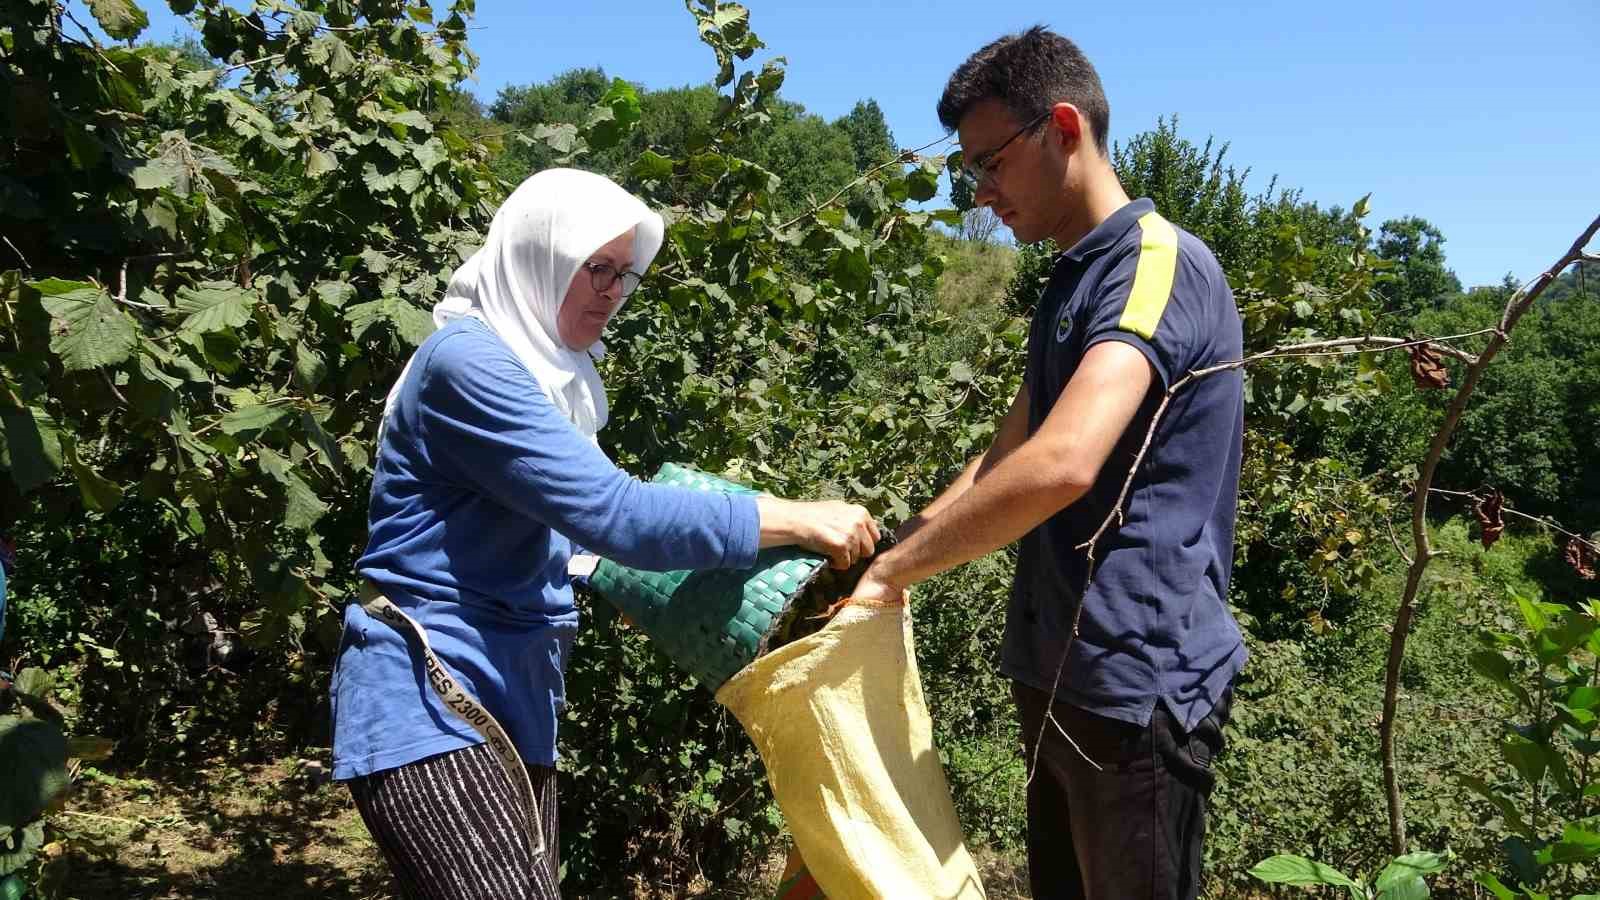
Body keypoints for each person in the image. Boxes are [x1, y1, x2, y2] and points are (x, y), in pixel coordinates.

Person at [330, 168, 879, 900]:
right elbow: (620, 516)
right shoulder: (468, 365)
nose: (613, 292)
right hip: (433, 696)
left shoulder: (548, 378)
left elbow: (579, 541)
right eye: (597, 268)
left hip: (512, 698)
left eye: (626, 274)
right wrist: (793, 516)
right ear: (541, 254)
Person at [850, 27, 1247, 900]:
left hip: (1134, 685)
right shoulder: (1073, 279)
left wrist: (898, 572)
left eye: (988, 162)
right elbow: (1008, 454)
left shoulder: (1155, 264)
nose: (980, 193)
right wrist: (890, 559)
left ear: (1063, 127)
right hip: (1061, 675)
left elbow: (1064, 462)